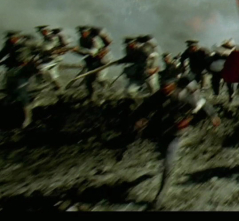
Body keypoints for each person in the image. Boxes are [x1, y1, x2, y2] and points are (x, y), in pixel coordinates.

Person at [131, 76, 221, 210]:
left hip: (176, 134)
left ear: (174, 86)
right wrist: (139, 119)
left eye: (168, 87)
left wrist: (212, 116)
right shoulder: (159, 96)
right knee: (163, 156)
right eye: (163, 87)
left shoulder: (183, 95)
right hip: (162, 132)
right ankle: (153, 177)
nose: (165, 90)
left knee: (168, 164)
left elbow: (202, 104)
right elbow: (145, 106)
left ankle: (159, 199)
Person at [1, 32, 42, 128]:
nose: (11, 40)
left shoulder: (26, 43)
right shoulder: (9, 45)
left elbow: (41, 49)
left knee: (22, 92)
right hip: (12, 71)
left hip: (23, 71)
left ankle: (28, 118)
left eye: (12, 38)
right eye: (10, 38)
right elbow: (1, 54)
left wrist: (34, 60)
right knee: (10, 92)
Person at [73, 26, 113, 101]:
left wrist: (79, 50)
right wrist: (76, 51)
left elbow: (93, 52)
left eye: (84, 32)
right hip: (93, 62)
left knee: (100, 78)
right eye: (81, 33)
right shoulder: (81, 40)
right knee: (88, 81)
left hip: (103, 61)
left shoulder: (94, 39)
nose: (82, 34)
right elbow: (84, 54)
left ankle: (106, 91)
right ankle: (91, 96)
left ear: (88, 32)